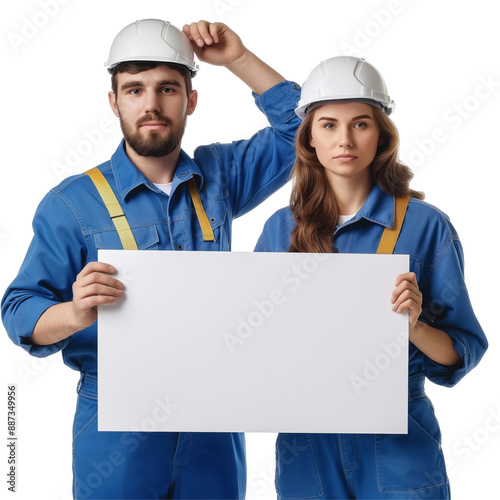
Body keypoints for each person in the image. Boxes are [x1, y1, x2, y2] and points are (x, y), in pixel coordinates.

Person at [2, 18, 301, 499]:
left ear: (191, 100)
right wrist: (76, 311)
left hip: (213, 414)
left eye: (167, 88)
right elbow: (19, 312)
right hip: (115, 421)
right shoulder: (71, 203)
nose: (151, 104)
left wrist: (239, 60)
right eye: (134, 89)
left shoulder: (219, 177)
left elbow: (307, 131)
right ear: (114, 101)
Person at [254, 56, 488, 499]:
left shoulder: (425, 225)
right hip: (306, 443)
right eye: (328, 125)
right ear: (309, 139)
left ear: (381, 135)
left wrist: (413, 325)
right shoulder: (278, 230)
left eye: (360, 124)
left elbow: (461, 351)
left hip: (397, 440)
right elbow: (256, 345)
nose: (344, 139)